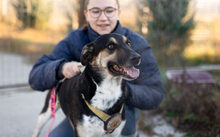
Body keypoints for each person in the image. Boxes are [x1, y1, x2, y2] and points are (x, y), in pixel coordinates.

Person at [29, 0, 165, 136]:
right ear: (86, 14)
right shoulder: (75, 40)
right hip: (84, 108)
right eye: (95, 11)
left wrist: (122, 91)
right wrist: (60, 68)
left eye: (109, 10)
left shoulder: (138, 43)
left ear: (118, 12)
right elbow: (35, 77)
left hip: (123, 108)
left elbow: (155, 94)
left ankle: (130, 133)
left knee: (124, 131)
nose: (103, 18)